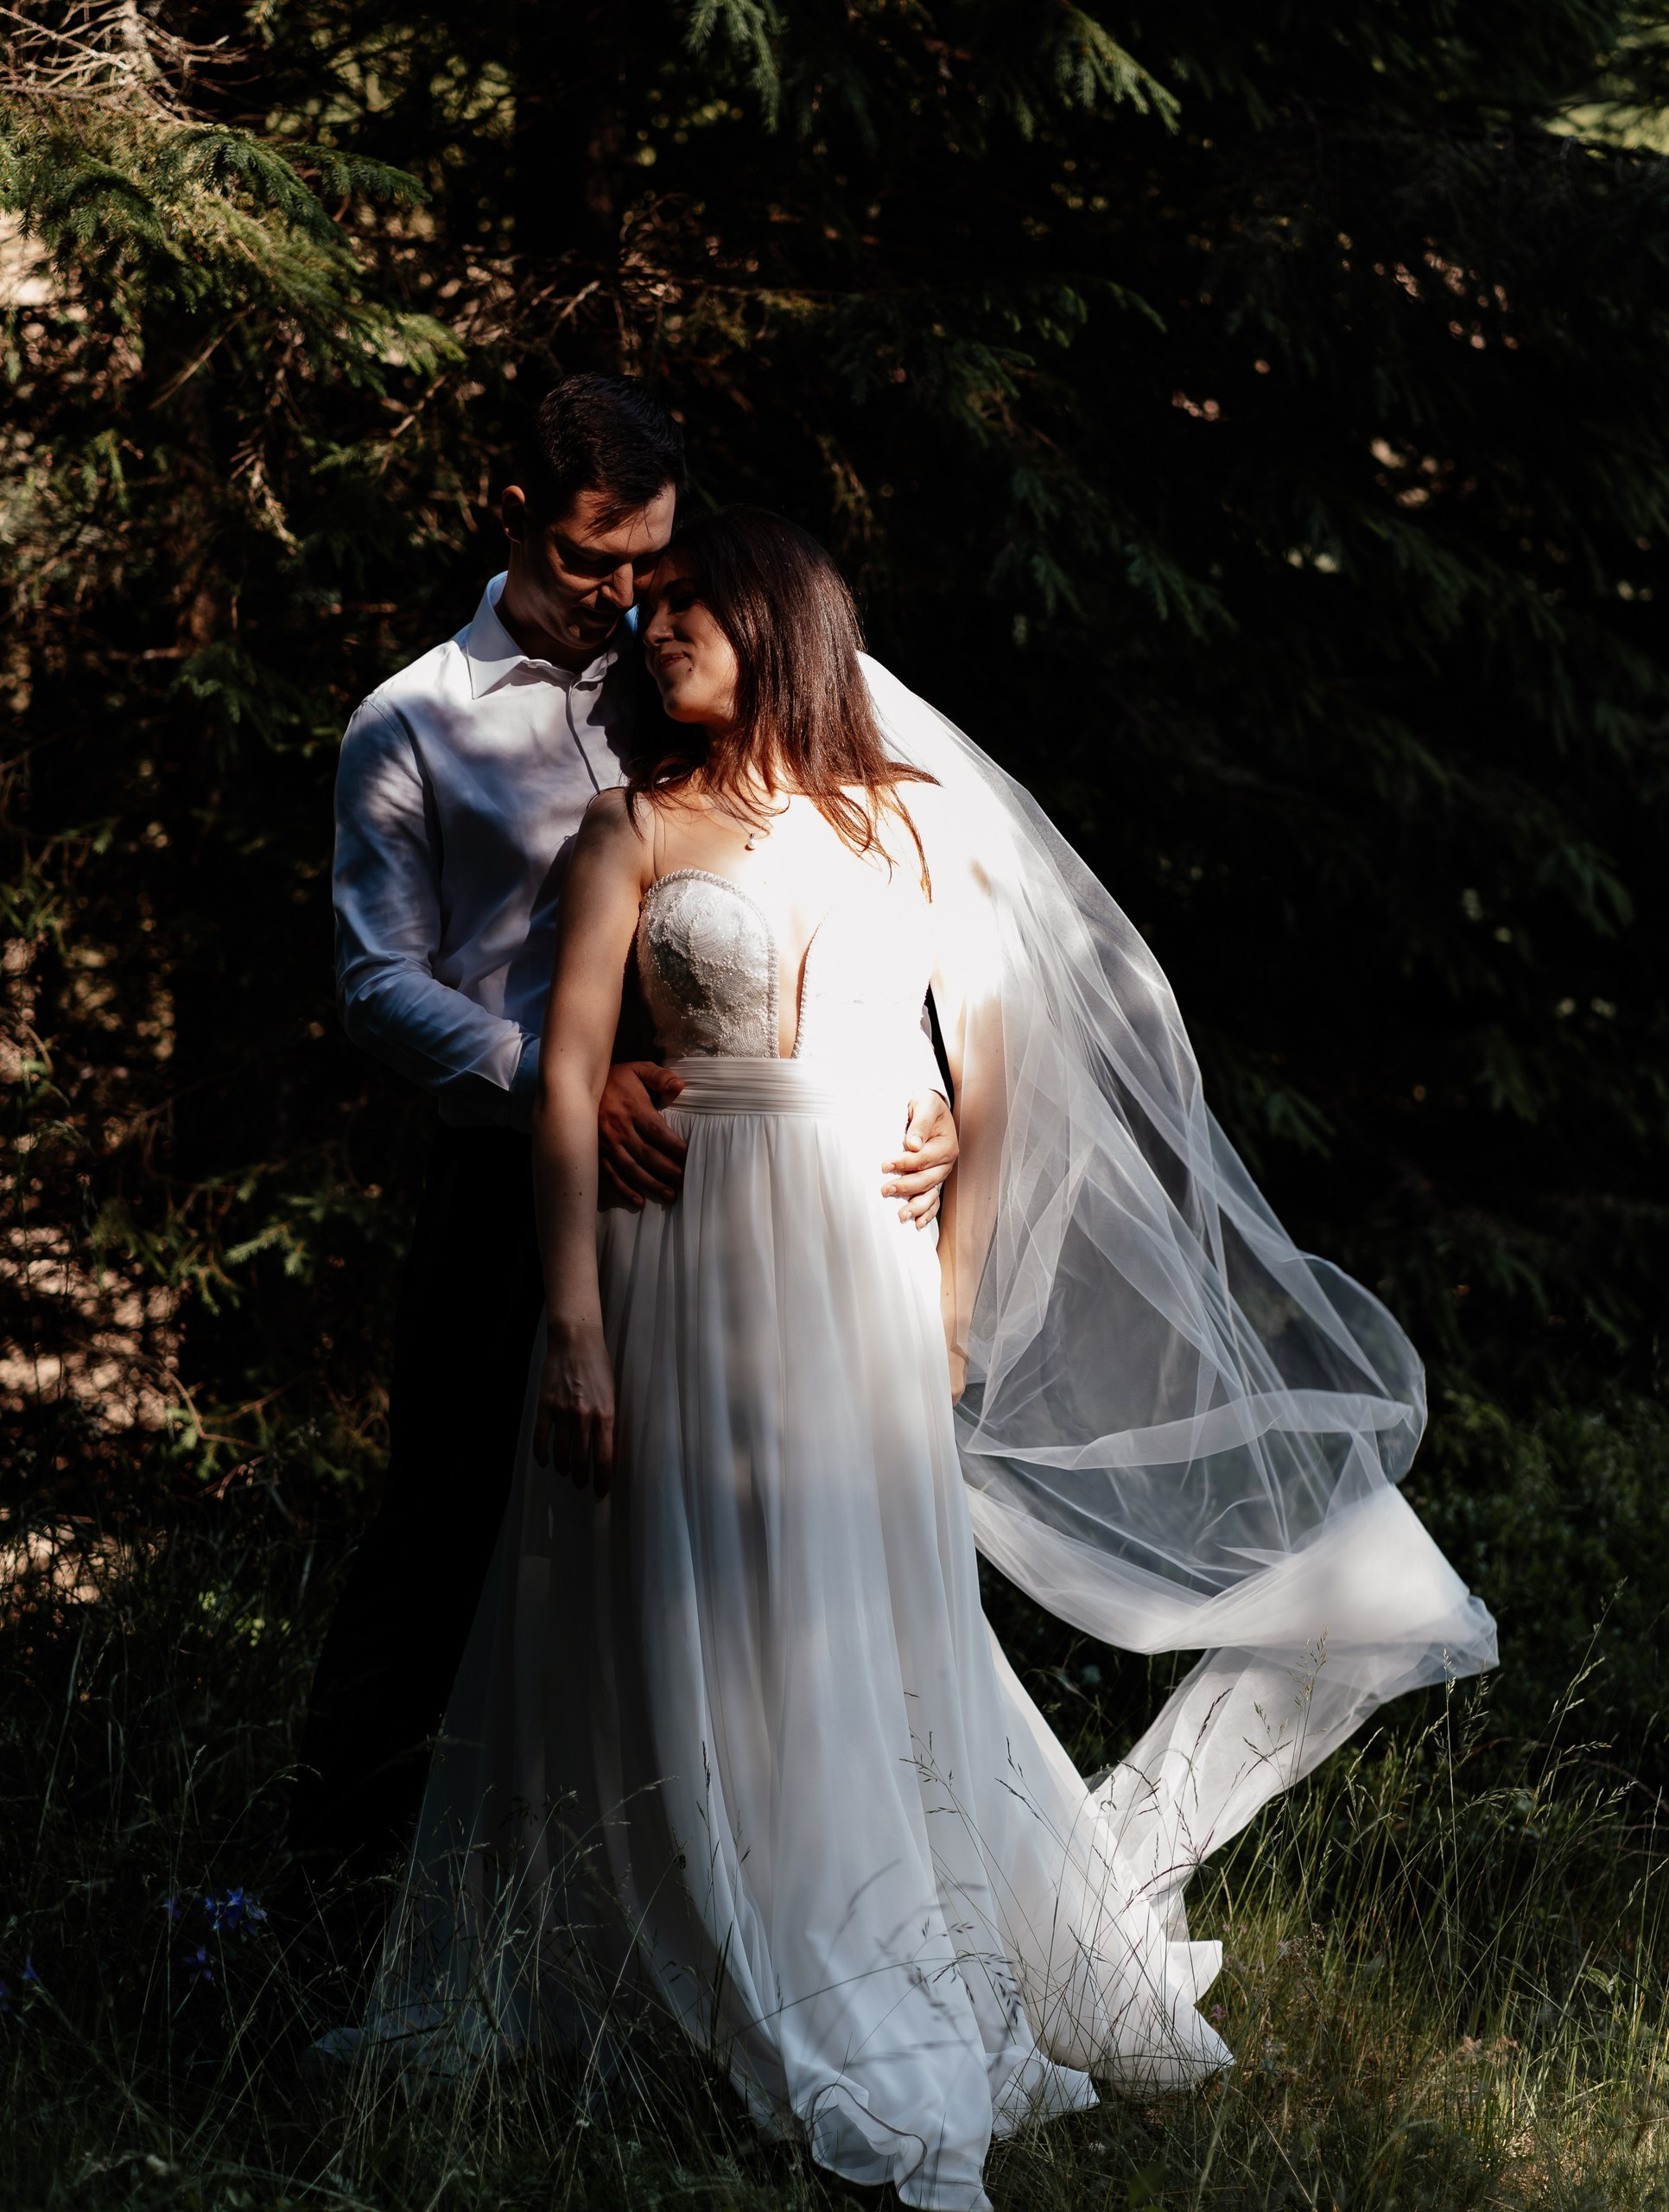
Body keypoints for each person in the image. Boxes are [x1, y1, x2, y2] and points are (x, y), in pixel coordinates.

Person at [383, 509, 1496, 2211]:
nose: (651, 631)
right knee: (685, 1598)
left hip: (867, 1276)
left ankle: (880, 1931)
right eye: (648, 609)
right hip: (680, 1256)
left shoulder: (906, 826)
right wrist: (582, 1334)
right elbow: (561, 1089)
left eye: (687, 608)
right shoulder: (631, 829)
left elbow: (988, 1067)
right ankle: (699, 1954)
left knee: (870, 1610)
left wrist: (957, 1301)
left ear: (782, 626)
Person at [289, 382, 961, 1923]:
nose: (630, 598)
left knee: (705, 1549)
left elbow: (839, 877)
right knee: (449, 1536)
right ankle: (329, 1919)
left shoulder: (696, 658)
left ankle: (695, 1898)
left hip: (724, 1207)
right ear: (506, 514)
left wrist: (911, 1089)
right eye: (598, 564)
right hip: (505, 1182)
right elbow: (375, 978)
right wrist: (555, 1079)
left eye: (652, 562)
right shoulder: (413, 723)